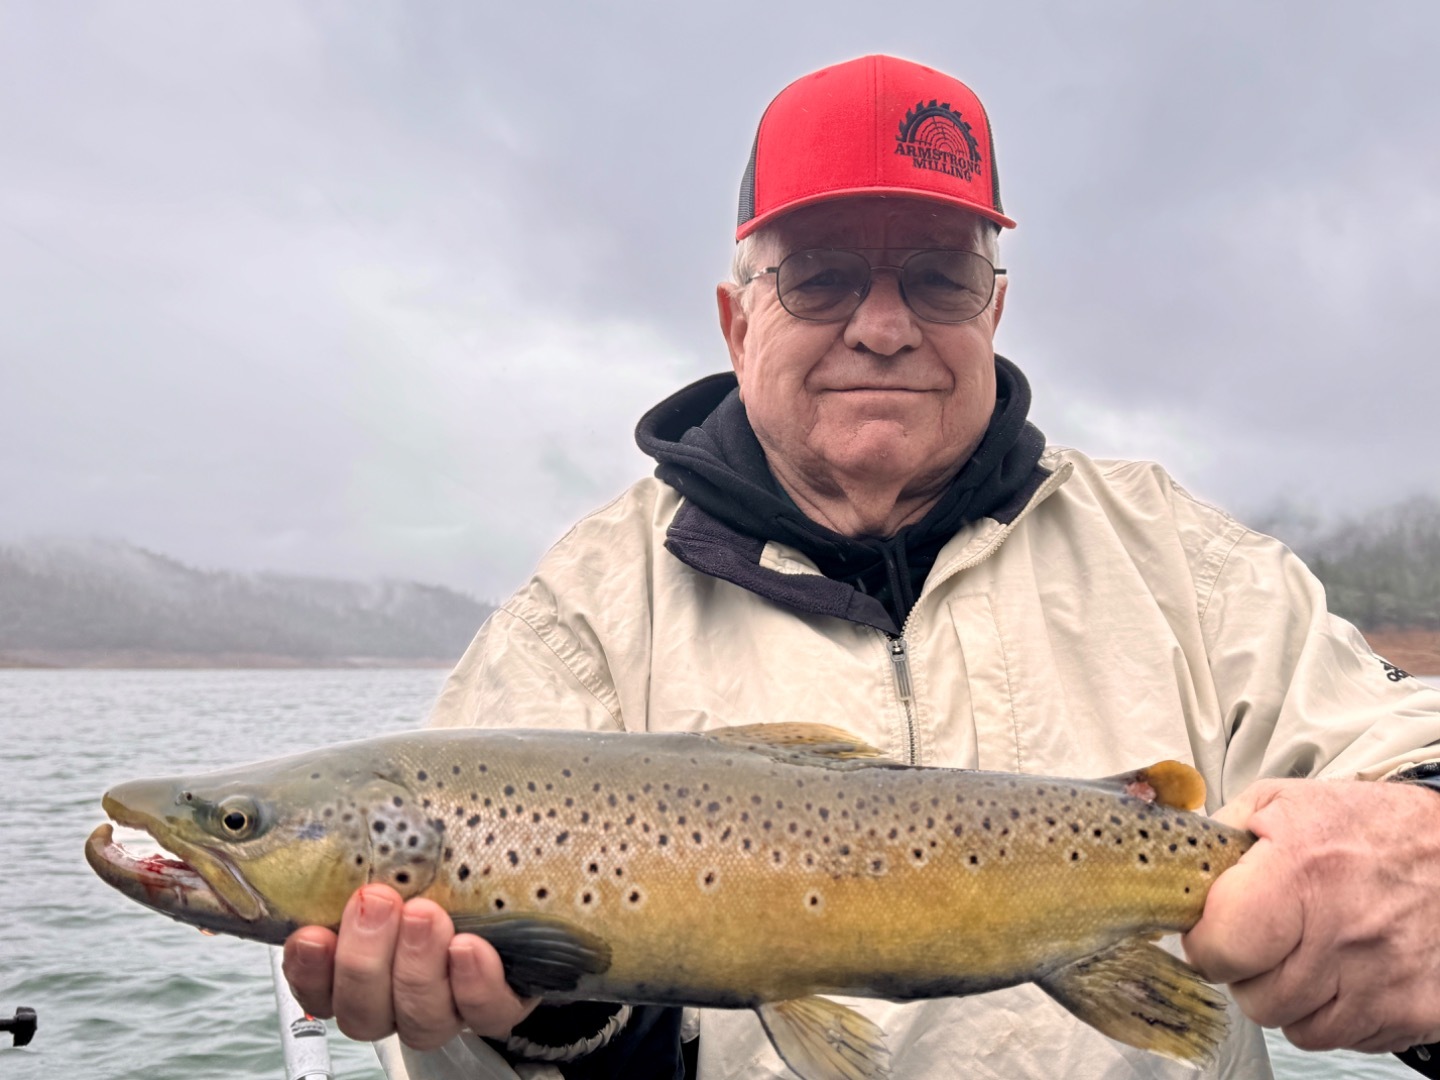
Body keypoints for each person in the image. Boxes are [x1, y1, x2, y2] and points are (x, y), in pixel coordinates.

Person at [283, 55, 1440, 1080]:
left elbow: (1398, 758)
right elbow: (448, 1051)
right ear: (739, 324)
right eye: (824, 276)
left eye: (936, 277)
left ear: (994, 309)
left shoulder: (1181, 557)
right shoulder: (577, 618)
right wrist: (551, 1030)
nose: (882, 326)